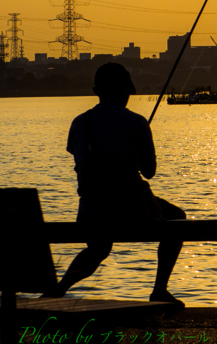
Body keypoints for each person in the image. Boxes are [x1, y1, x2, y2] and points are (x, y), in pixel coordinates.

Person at [44, 62, 186, 306]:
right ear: (126, 90)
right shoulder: (137, 122)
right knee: (177, 218)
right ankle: (159, 290)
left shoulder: (80, 122)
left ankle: (59, 289)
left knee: (98, 249)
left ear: (96, 91)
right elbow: (149, 172)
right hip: (130, 212)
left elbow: (74, 153)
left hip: (91, 211)